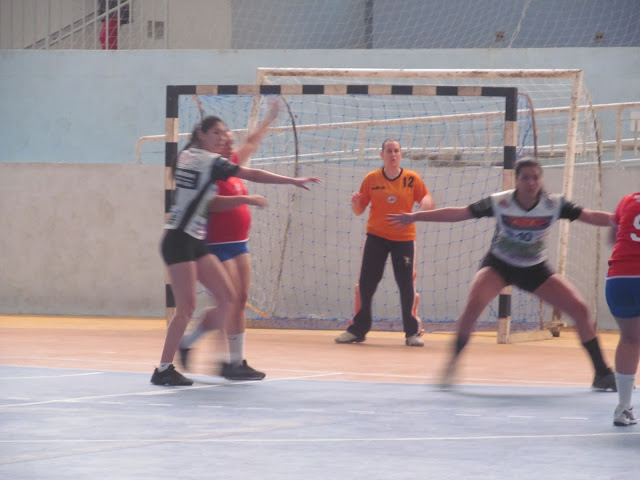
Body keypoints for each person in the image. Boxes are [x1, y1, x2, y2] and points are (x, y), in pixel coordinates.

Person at [388, 157, 616, 390]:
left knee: (580, 309)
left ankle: (602, 373)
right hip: (499, 265)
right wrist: (415, 217)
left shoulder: (554, 204)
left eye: (535, 177)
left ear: (541, 179)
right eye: (525, 178)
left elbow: (589, 215)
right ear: (516, 180)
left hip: (535, 269)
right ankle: (452, 364)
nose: (531, 182)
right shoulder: (501, 202)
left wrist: (618, 219)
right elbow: (460, 213)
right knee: (473, 306)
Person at [151, 111, 321, 386]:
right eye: (216, 133)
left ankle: (221, 358)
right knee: (186, 308)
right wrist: (291, 181)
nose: (221, 138)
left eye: (224, 133)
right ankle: (163, 369)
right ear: (201, 135)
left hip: (196, 240)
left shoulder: (187, 157)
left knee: (229, 298)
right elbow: (251, 173)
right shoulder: (207, 161)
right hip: (179, 240)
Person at [178, 103, 283, 381]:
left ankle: (230, 358)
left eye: (229, 140)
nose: (228, 143)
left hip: (240, 243)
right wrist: (246, 199)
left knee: (240, 300)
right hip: (215, 244)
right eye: (222, 138)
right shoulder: (209, 168)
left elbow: (252, 141)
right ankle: (224, 360)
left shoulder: (235, 163)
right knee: (229, 300)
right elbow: (210, 204)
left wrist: (269, 119)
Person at [335, 138, 435, 347]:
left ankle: (412, 333)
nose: (393, 154)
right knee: (366, 284)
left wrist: (427, 201)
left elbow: (428, 201)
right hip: (376, 237)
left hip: (404, 239)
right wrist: (355, 203)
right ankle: (357, 330)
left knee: (407, 285)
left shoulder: (412, 179)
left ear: (401, 154)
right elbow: (359, 210)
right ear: (382, 155)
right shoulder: (371, 179)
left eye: (396, 151)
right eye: (389, 151)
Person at [606, 191, 640, 425]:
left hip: (618, 278)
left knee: (629, 339)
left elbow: (613, 237)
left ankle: (623, 408)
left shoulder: (628, 199)